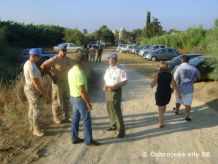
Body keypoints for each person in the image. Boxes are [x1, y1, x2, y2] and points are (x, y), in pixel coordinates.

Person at [68, 52, 100, 146]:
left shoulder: (71, 71)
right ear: (81, 61)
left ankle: (74, 138)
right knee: (87, 119)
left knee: (75, 119)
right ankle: (89, 140)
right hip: (79, 99)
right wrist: (88, 103)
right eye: (85, 60)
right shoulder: (79, 73)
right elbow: (82, 91)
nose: (86, 62)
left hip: (73, 97)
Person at [40, 44, 74, 124]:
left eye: (66, 50)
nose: (65, 52)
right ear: (59, 51)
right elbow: (43, 66)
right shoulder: (54, 59)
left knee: (66, 100)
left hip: (66, 82)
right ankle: (57, 118)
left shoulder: (67, 59)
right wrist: (51, 75)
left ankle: (67, 117)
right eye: (63, 51)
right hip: (57, 83)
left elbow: (74, 65)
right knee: (57, 102)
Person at [23, 48, 48, 137]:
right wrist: (43, 91)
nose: (40, 58)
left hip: (28, 88)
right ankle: (36, 129)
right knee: (37, 109)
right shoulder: (31, 66)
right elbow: (35, 81)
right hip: (33, 89)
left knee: (31, 108)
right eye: (38, 56)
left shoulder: (29, 63)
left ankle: (32, 125)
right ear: (33, 56)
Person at [103, 53, 127, 138]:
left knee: (117, 111)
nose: (111, 61)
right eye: (110, 59)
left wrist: (113, 87)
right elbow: (106, 79)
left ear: (116, 60)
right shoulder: (107, 69)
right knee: (110, 109)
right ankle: (113, 124)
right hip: (108, 92)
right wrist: (104, 85)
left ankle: (121, 130)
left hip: (116, 91)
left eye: (113, 59)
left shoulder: (121, 69)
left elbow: (125, 82)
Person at [151, 62, 178, 128]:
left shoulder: (158, 75)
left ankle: (161, 123)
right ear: (167, 68)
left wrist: (156, 77)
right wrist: (177, 91)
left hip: (160, 93)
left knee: (160, 108)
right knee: (164, 105)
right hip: (167, 93)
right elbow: (174, 85)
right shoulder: (170, 75)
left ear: (159, 69)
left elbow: (152, 85)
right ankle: (161, 117)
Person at [173, 55, 200, 121]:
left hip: (180, 88)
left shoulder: (178, 68)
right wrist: (193, 80)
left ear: (182, 60)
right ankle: (187, 116)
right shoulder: (193, 67)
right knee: (188, 103)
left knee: (178, 100)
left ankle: (176, 110)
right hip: (189, 88)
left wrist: (174, 86)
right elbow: (198, 76)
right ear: (188, 60)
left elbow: (175, 78)